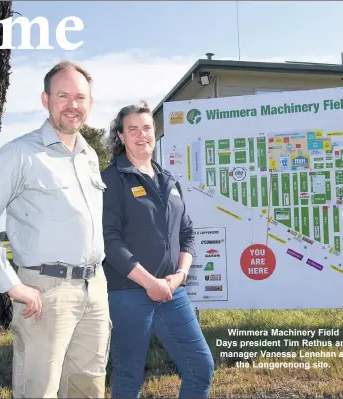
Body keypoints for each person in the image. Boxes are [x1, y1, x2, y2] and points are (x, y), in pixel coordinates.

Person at [0, 61, 111, 398]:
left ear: (89, 103)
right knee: (38, 392)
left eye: (80, 97)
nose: (72, 104)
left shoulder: (89, 157)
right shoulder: (21, 154)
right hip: (44, 292)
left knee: (87, 389)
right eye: (63, 95)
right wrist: (12, 284)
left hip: (95, 289)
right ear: (45, 100)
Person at [101, 101, 214, 399]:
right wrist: (150, 283)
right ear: (121, 137)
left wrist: (179, 276)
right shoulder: (109, 180)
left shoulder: (168, 180)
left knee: (200, 367)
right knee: (128, 378)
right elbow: (109, 241)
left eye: (147, 128)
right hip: (128, 292)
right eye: (133, 129)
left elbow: (187, 233)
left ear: (155, 132)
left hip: (172, 291)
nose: (142, 135)